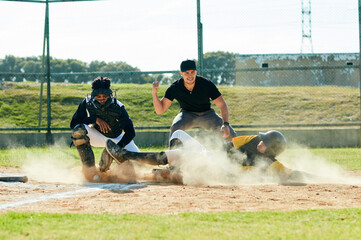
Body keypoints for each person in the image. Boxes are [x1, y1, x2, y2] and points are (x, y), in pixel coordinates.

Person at [105, 130, 309, 184]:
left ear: (272, 150)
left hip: (220, 172)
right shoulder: (252, 140)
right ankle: (175, 171)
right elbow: (225, 147)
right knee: (178, 135)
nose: (261, 142)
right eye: (263, 139)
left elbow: (294, 174)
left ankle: (126, 155)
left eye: (266, 143)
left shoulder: (272, 164)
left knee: (179, 154)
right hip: (212, 158)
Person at [70, 76, 139, 181]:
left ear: (110, 94)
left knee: (137, 167)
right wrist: (94, 119)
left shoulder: (118, 106)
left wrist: (115, 149)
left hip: (117, 138)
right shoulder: (87, 102)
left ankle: (110, 170)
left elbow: (130, 132)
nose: (101, 99)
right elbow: (73, 123)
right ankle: (89, 169)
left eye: (105, 96)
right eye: (98, 96)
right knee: (78, 130)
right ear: (93, 95)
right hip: (97, 135)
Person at [152, 59, 237, 140]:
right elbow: (160, 110)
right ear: (181, 73)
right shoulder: (175, 88)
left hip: (207, 114)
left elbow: (222, 105)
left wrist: (225, 124)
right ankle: (175, 153)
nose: (190, 75)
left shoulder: (206, 84)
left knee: (231, 134)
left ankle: (238, 153)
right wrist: (154, 93)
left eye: (192, 72)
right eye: (186, 73)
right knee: (175, 128)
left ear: (196, 72)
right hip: (186, 114)